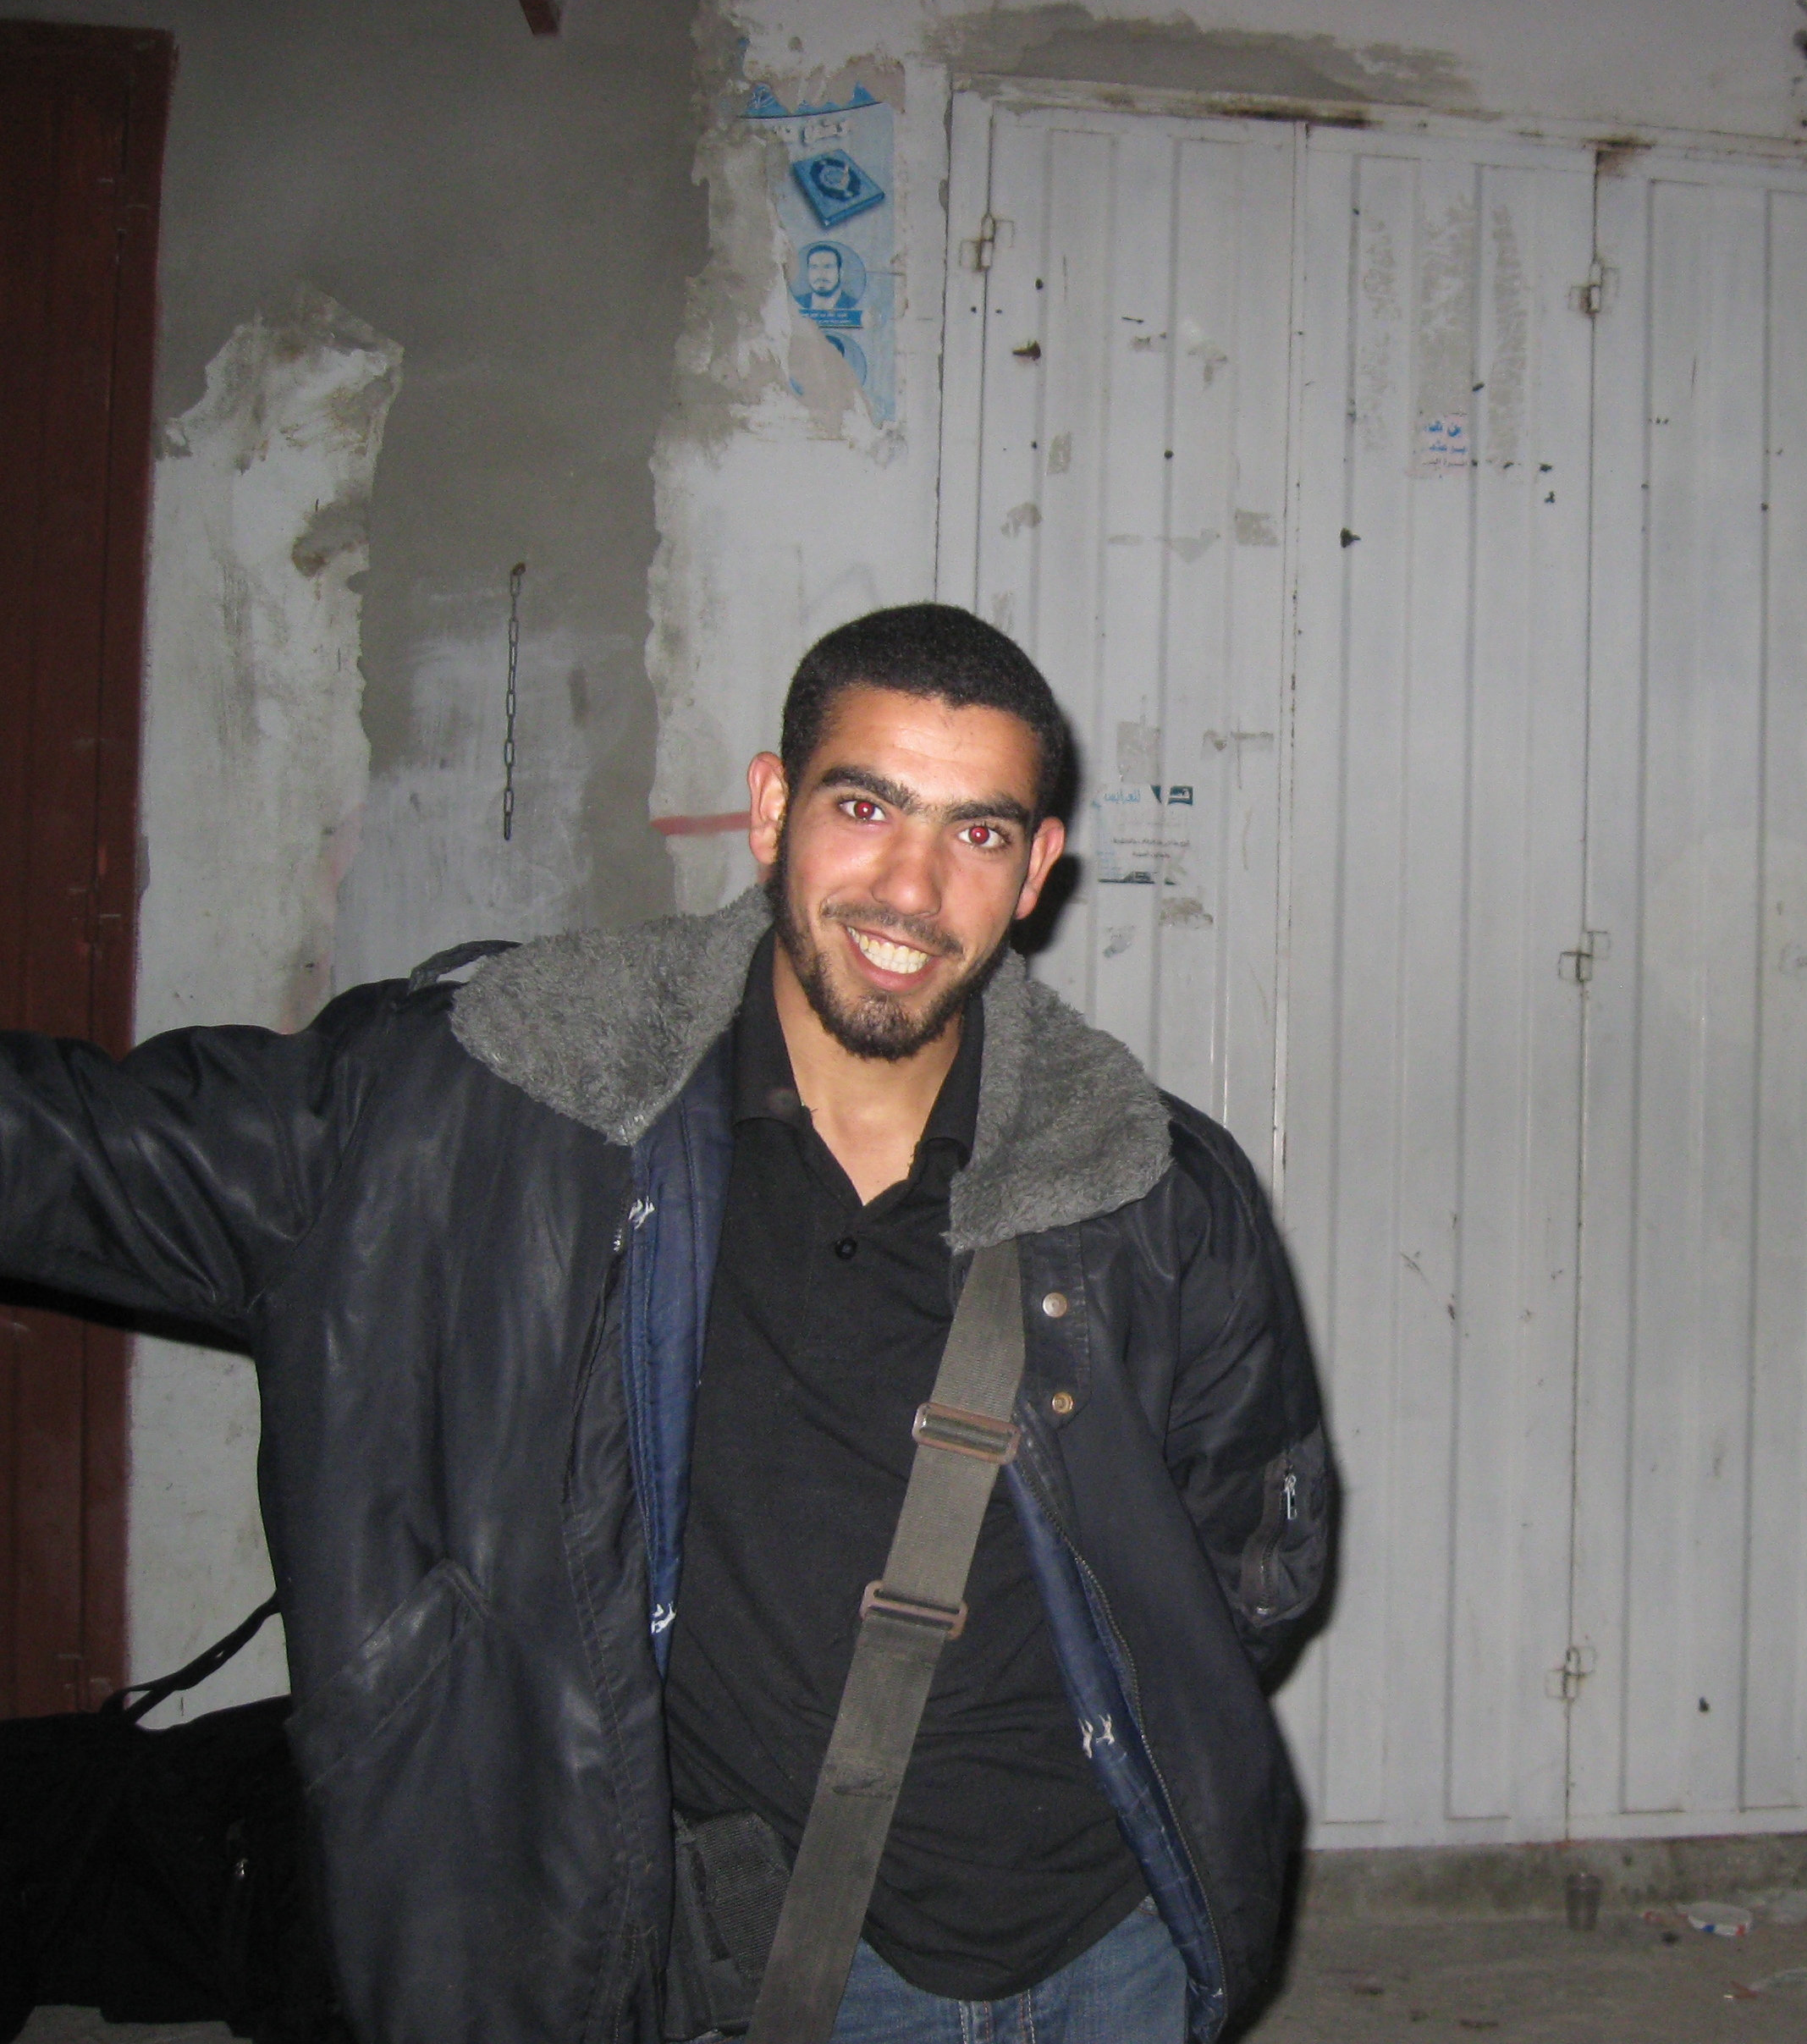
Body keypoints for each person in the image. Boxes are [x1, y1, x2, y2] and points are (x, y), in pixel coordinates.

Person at [0, 604, 1330, 2044]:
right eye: (866, 807)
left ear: (1036, 870)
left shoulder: (1147, 1187)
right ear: (771, 809)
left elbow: (1250, 1569)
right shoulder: (497, 1114)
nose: (912, 886)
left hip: (1111, 1940)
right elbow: (74, 1154)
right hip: (760, 1958)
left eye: (978, 833)